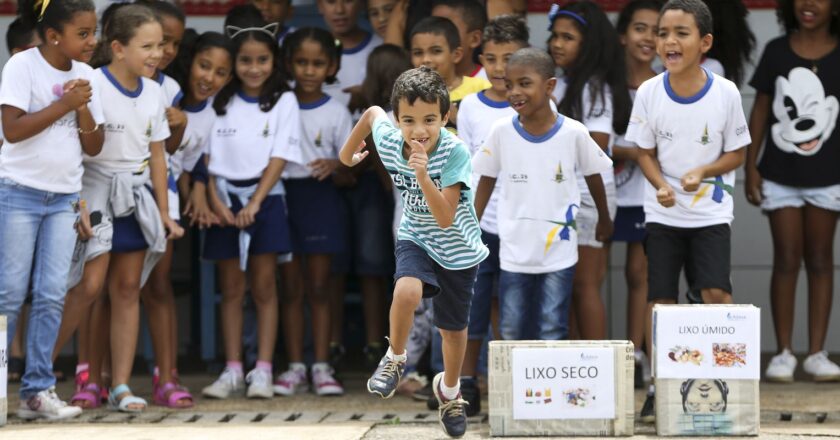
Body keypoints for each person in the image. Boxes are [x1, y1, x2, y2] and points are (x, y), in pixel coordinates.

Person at [340, 66, 488, 438]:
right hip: (416, 237)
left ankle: (450, 392)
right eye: (408, 120)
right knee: (406, 290)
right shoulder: (390, 139)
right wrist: (347, 155)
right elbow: (373, 113)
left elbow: (444, 217)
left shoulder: (455, 152)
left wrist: (422, 175)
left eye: (428, 120)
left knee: (452, 331)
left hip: (457, 248)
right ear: (398, 119)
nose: (418, 130)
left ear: (445, 117)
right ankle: (394, 358)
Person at [624, 0, 752, 422]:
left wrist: (705, 170)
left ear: (705, 43)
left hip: (710, 216)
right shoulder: (648, 92)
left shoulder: (726, 92)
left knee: (716, 293)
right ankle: (657, 386)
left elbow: (737, 153)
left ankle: (723, 384)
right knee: (660, 301)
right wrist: (660, 184)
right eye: (663, 33)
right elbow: (643, 151)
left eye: (681, 33)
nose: (669, 41)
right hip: (663, 216)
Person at [64, 3, 183, 413]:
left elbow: (159, 157)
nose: (157, 54)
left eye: (161, 45)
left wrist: (165, 214)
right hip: (94, 192)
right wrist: (77, 203)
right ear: (118, 47)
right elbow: (75, 151)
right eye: (147, 46)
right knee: (90, 288)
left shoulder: (156, 91)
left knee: (128, 289)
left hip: (136, 196)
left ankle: (119, 385)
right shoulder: (91, 82)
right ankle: (70, 375)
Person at [0, 0, 103, 420]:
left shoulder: (87, 76)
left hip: (63, 198)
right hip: (19, 193)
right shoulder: (22, 67)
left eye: (93, 31)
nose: (92, 41)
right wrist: (64, 103)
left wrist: (80, 107)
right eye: (83, 33)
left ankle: (37, 392)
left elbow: (94, 146)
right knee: (8, 293)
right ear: (53, 35)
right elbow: (13, 130)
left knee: (50, 295)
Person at [473, 47, 613, 344]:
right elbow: (485, 178)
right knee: (510, 328)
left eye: (524, 83)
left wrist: (604, 218)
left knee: (553, 327)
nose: (514, 92)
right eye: (509, 85)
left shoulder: (573, 132)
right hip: (514, 251)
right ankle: (512, 391)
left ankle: (551, 391)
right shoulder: (501, 131)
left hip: (559, 253)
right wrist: (472, 224)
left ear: (549, 86)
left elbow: (594, 174)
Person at [200, 7, 301, 400]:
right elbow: (206, 161)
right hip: (225, 201)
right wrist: (215, 200)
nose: (254, 68)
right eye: (245, 60)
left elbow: (279, 155)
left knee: (263, 286)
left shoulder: (283, 100)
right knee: (231, 288)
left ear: (274, 61)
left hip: (266, 201)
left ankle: (262, 369)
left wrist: (256, 201)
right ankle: (231, 368)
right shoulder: (218, 101)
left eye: (262, 60)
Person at [745, 0, 840, 383]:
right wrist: (751, 166)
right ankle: (783, 353)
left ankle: (816, 353)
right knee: (785, 258)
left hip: (830, 174)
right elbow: (761, 111)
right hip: (780, 174)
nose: (809, 4)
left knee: (819, 259)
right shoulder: (776, 51)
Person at [455, 13, 530, 416]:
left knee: (512, 307)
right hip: (478, 223)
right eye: (492, 58)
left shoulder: (536, 104)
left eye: (511, 57)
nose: (501, 68)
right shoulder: (468, 107)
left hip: (522, 223)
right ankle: (467, 384)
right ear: (480, 59)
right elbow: (465, 165)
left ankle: (507, 382)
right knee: (473, 305)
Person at [271, 27, 349, 397]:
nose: (309, 70)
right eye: (301, 62)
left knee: (319, 286)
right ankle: (296, 367)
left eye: (318, 63)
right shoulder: (276, 103)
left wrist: (336, 165)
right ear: (288, 64)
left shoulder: (337, 111)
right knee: (290, 287)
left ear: (331, 65)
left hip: (320, 198)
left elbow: (352, 167)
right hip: (284, 196)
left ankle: (321, 365)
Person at [547, 0, 631, 340]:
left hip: (587, 197)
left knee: (585, 285)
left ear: (589, 44)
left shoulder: (594, 86)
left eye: (568, 37)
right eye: (554, 35)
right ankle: (577, 366)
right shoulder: (559, 83)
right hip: (561, 196)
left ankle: (597, 365)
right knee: (566, 286)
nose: (556, 43)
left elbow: (596, 146)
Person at [137, 0, 192, 408]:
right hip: (112, 189)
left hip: (160, 191)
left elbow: (168, 150)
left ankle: (166, 376)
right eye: (158, 41)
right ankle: (96, 375)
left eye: (173, 42)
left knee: (158, 284)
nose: (165, 51)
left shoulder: (169, 87)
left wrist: (180, 125)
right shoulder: (99, 80)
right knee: (102, 289)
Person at [613, 0, 662, 387]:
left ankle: (635, 354)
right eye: (640, 28)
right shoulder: (603, 83)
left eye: (657, 30)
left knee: (638, 272)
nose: (649, 38)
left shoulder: (666, 84)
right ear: (622, 35)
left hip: (646, 194)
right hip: (604, 194)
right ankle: (589, 354)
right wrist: (636, 150)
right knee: (586, 276)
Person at [2, 14, 43, 384]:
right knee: (10, 288)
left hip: (39, 200)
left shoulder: (52, 97)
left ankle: (25, 361)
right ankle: (11, 357)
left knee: (33, 286)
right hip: (9, 200)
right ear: (19, 55)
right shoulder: (9, 98)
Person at [409, 16, 490, 132]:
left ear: (456, 55)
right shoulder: (409, 95)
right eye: (418, 53)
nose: (425, 59)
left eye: (436, 51)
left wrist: (457, 118)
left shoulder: (480, 88)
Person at [317, 0, 383, 111]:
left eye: (348, 1)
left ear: (361, 4)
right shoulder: (310, 56)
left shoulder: (381, 47)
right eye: (331, 2)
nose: (339, 10)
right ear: (320, 6)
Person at [431, 0, 488, 79]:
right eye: (432, 27)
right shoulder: (418, 83)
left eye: (447, 28)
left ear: (475, 39)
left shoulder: (490, 82)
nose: (434, 36)